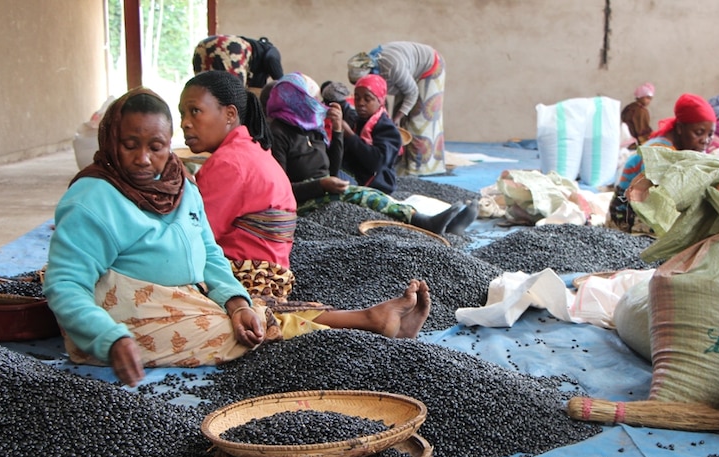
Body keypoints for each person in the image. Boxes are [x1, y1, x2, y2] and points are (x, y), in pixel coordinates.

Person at [43, 87, 433, 388]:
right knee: (252, 335)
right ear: (111, 141)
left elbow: (209, 252)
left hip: (186, 295)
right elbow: (66, 283)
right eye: (130, 146)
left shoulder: (179, 184)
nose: (144, 159)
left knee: (254, 312)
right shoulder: (92, 200)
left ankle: (370, 324)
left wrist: (234, 301)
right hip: (124, 314)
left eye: (156, 147)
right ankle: (367, 329)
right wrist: (108, 337)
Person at [267, 73, 476, 236]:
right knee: (366, 196)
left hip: (330, 188)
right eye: (312, 99)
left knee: (374, 200)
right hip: (302, 202)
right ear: (296, 100)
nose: (317, 104)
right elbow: (281, 192)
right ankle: (424, 222)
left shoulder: (311, 127)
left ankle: (432, 223)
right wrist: (320, 185)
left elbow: (331, 168)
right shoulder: (278, 133)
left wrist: (339, 131)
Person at [180, 70, 296, 300]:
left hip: (248, 278)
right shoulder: (249, 151)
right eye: (182, 113)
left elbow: (195, 236)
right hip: (275, 274)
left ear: (230, 114)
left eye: (195, 111)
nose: (185, 123)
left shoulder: (229, 163)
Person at [607, 93, 716, 234]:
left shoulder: (686, 150)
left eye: (710, 134)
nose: (705, 140)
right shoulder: (658, 153)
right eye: (699, 132)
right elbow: (659, 201)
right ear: (680, 128)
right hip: (624, 221)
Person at [347, 41, 446, 176]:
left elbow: (412, 92)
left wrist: (398, 117)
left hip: (429, 68)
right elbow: (379, 101)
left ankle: (420, 169)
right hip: (407, 72)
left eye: (366, 98)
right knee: (398, 123)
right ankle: (402, 166)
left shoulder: (393, 68)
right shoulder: (375, 70)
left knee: (418, 121)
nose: (361, 103)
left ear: (370, 73)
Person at [192, 35, 283, 89]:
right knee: (235, 96)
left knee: (205, 92)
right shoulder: (271, 50)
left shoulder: (256, 56)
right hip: (230, 46)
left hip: (204, 45)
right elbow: (271, 58)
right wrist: (282, 81)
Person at [620, 82, 655, 148]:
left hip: (625, 141)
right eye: (647, 98)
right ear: (640, 97)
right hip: (635, 144)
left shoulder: (629, 108)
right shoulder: (641, 111)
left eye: (650, 99)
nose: (649, 101)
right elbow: (642, 130)